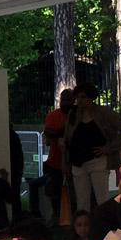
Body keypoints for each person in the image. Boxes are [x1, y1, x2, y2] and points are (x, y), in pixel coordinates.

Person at [63, 83, 121, 211]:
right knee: (81, 200)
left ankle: (104, 221)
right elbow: (67, 140)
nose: (80, 101)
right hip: (77, 161)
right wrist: (66, 161)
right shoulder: (74, 113)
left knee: (102, 198)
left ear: (91, 98)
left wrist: (110, 147)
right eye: (78, 97)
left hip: (97, 160)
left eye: (83, 97)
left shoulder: (102, 112)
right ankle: (84, 222)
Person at [34, 89, 75, 221]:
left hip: (74, 161)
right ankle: (57, 217)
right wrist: (59, 133)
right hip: (54, 162)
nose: (65, 102)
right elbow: (48, 132)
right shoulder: (52, 115)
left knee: (74, 192)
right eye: (63, 100)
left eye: (68, 100)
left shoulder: (78, 115)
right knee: (54, 192)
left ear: (73, 100)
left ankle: (74, 217)